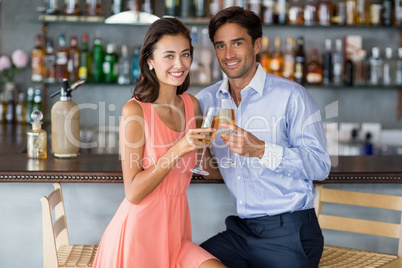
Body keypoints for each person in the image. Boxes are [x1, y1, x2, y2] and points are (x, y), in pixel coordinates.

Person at [196, 6, 332, 268]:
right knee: (184, 261)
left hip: (289, 230)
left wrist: (259, 149)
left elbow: (320, 166)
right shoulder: (206, 99)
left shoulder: (291, 96)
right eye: (220, 46)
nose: (228, 54)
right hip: (241, 231)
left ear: (257, 45)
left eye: (237, 43)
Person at [93, 17, 226, 268]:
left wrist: (242, 150)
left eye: (185, 54)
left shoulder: (191, 105)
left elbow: (206, 169)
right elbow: (133, 192)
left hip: (176, 233)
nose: (180, 64)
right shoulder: (134, 111)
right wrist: (179, 148)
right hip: (139, 234)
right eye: (169, 56)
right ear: (150, 61)